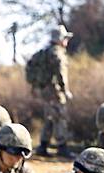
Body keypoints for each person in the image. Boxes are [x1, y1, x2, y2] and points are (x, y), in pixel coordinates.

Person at [29, 25, 73, 158]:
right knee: (60, 117)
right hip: (55, 91)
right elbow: (61, 73)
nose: (66, 41)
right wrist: (65, 90)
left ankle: (43, 146)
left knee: (49, 117)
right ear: (59, 39)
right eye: (65, 38)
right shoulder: (57, 53)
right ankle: (62, 147)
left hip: (45, 90)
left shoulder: (45, 52)